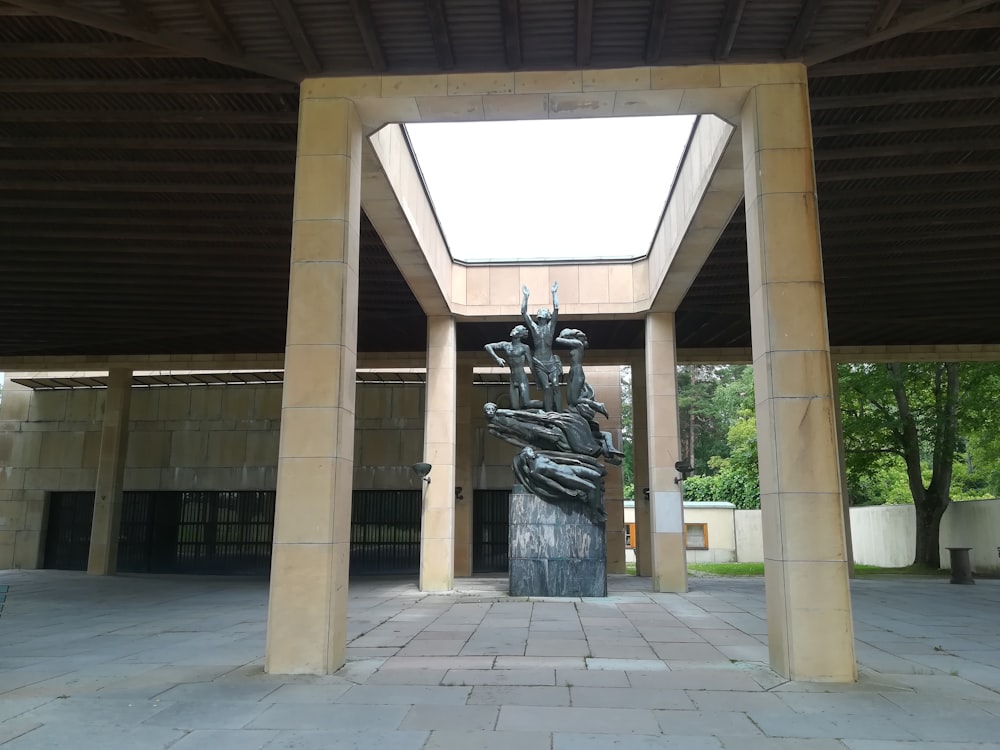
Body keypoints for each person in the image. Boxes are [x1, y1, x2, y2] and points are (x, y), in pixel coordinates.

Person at [513, 446, 607, 519]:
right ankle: (596, 513)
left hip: (569, 469)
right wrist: (564, 490)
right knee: (591, 488)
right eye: (529, 451)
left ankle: (597, 505)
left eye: (531, 450)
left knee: (596, 475)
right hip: (567, 478)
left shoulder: (540, 457)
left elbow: (559, 460)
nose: (532, 452)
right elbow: (548, 482)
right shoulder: (535, 471)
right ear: (525, 456)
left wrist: (575, 461)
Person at [521, 282, 562, 412]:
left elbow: (556, 308)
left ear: (547, 315)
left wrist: (554, 293)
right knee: (547, 387)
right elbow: (524, 312)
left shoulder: (551, 326)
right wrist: (526, 297)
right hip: (539, 362)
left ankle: (560, 414)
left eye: (543, 311)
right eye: (540, 311)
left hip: (550, 361)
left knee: (555, 385)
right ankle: (550, 414)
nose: (540, 312)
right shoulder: (534, 328)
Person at [484, 325, 541, 411]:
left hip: (522, 378)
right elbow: (488, 346)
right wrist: (497, 358)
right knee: (514, 407)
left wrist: (537, 380)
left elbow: (530, 364)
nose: (514, 331)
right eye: (514, 329)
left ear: (520, 334)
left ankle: (548, 404)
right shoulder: (506, 345)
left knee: (526, 403)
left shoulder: (524, 347)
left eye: (517, 330)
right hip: (513, 378)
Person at [555, 327, 608, 419]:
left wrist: (563, 335)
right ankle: (575, 416)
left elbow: (558, 340)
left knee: (575, 400)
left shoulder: (578, 344)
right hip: (572, 371)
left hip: (577, 372)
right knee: (570, 401)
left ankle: (598, 405)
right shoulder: (574, 345)